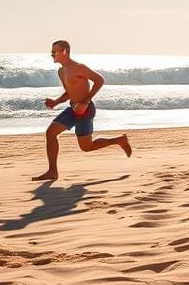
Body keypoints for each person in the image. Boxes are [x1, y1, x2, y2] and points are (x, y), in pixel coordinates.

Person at [32, 40, 131, 182]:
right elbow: (68, 92)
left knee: (87, 147)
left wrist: (85, 102)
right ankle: (52, 171)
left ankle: (119, 140)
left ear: (64, 51)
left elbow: (99, 80)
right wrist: (56, 102)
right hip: (72, 109)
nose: (51, 54)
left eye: (55, 51)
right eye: (52, 51)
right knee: (51, 133)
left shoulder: (79, 68)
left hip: (86, 110)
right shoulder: (61, 71)